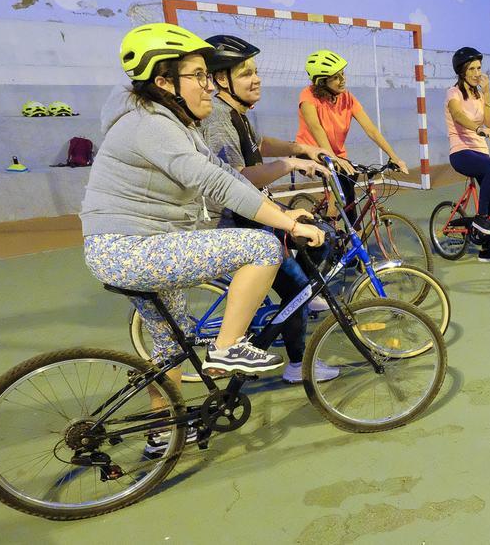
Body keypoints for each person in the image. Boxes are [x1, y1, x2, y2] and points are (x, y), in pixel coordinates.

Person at [80, 24, 324, 452]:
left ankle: (161, 431)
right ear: (163, 82)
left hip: (133, 246)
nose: (208, 85)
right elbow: (216, 184)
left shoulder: (176, 124)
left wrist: (283, 211)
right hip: (131, 248)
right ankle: (227, 348)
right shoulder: (150, 125)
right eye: (198, 75)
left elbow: (228, 174)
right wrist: (287, 226)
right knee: (262, 247)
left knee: (170, 345)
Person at [200, 34, 339, 384]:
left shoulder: (238, 113)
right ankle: (296, 365)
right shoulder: (217, 116)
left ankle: (294, 312)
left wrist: (300, 148)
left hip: (251, 211)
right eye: (246, 73)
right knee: (295, 288)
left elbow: (258, 145)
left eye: (255, 71)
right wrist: (290, 163)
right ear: (221, 80)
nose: (256, 78)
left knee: (311, 253)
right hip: (234, 220)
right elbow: (238, 176)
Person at [296, 49, 410, 179]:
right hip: (310, 152)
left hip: (336, 153)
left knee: (351, 178)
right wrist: (333, 159)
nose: (342, 80)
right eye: (335, 78)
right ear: (322, 82)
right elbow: (316, 129)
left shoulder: (347, 98)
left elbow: (371, 130)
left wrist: (395, 158)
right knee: (342, 177)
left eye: (342, 74)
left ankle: (337, 200)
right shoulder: (308, 96)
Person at [445, 46, 490, 264]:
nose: (476, 72)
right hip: (461, 152)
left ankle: (485, 251)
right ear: (462, 71)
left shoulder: (480, 94)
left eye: (479, 68)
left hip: (481, 153)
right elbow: (457, 114)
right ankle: (480, 219)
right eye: (471, 68)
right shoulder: (453, 93)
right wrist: (477, 128)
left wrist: (488, 93)